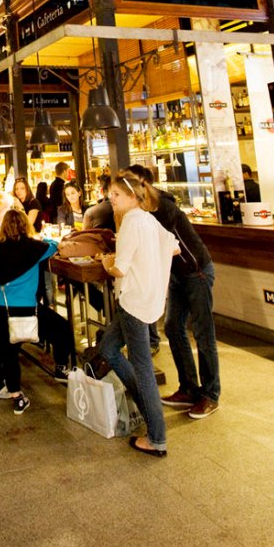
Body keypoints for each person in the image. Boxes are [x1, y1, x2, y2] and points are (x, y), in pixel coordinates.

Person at [127, 165, 221, 419]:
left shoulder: (162, 208)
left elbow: (158, 244)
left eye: (130, 183)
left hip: (197, 271)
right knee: (172, 327)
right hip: (178, 276)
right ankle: (189, 387)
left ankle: (210, 395)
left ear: (144, 183)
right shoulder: (145, 209)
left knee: (203, 334)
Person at [98, 171, 179, 457]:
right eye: (111, 196)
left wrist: (107, 263)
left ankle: (156, 437)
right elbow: (174, 248)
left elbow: (119, 268)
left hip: (133, 300)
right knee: (107, 347)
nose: (112, 200)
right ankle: (145, 404)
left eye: (116, 196)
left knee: (143, 368)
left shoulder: (133, 222)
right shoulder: (148, 219)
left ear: (132, 196)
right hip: (144, 298)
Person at [0, 209, 58, 414]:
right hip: (28, 306)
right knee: (59, 329)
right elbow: (54, 246)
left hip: (4, 306)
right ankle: (62, 366)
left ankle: (16, 395)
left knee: (9, 353)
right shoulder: (34, 248)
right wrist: (43, 237)